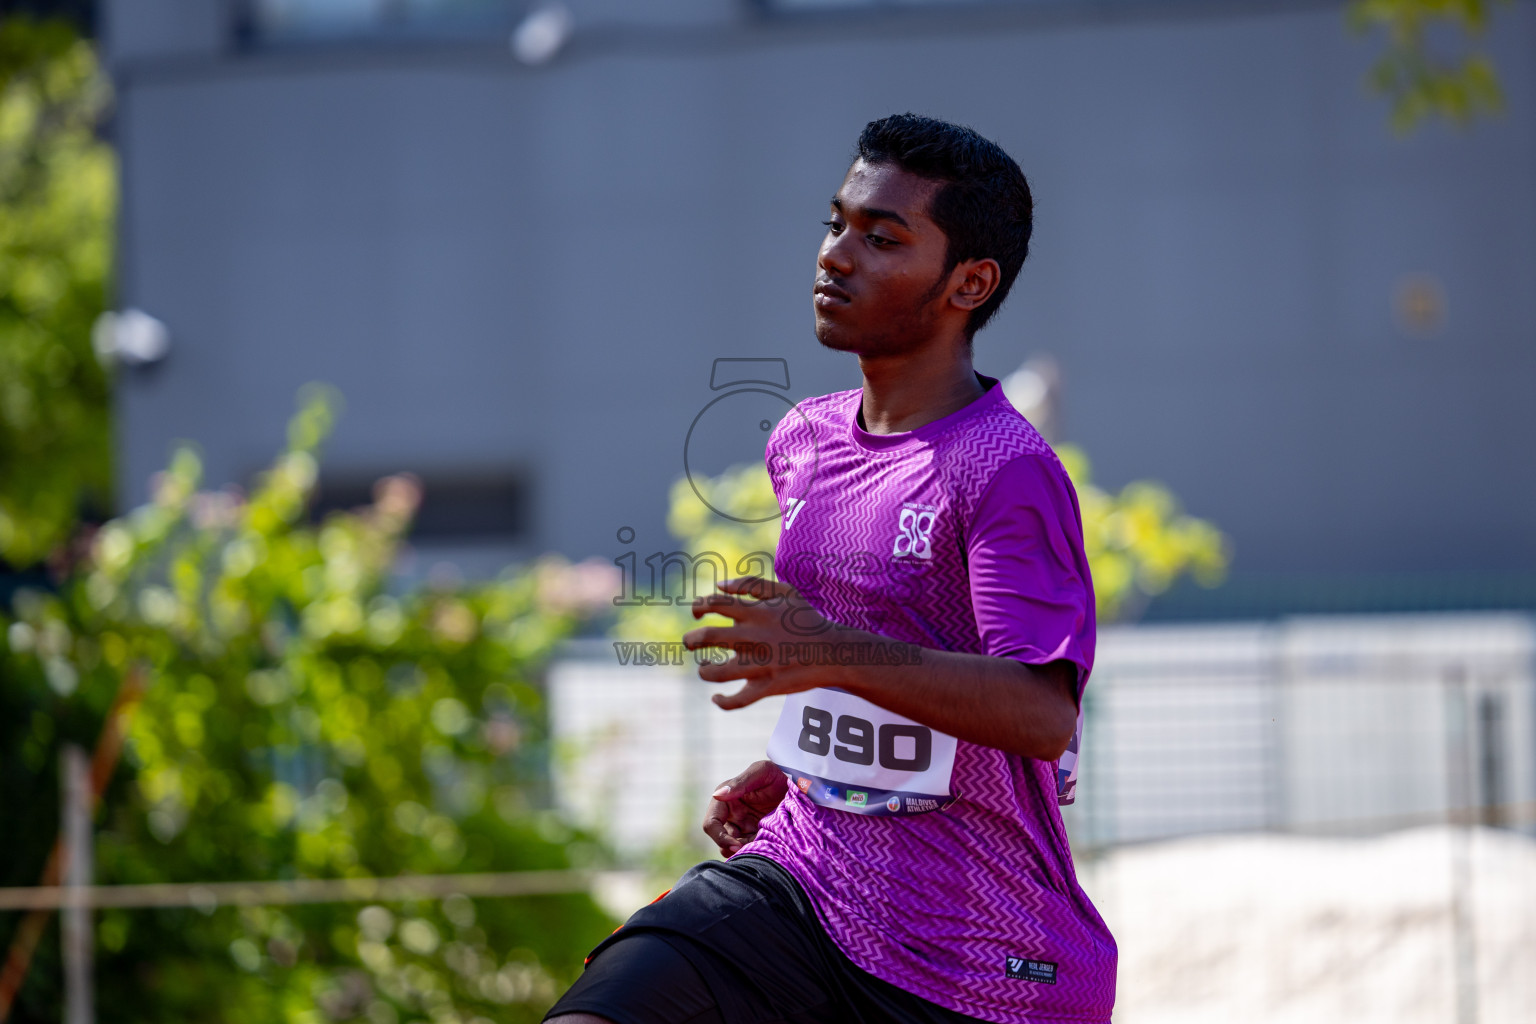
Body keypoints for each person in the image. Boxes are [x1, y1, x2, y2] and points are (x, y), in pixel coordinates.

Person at [546, 113, 1116, 1024]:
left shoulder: (1005, 470)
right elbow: (871, 664)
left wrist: (831, 651)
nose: (836, 255)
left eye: (882, 238)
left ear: (969, 282)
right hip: (806, 880)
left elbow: (1040, 713)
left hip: (977, 957)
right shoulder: (802, 441)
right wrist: (810, 770)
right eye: (838, 222)